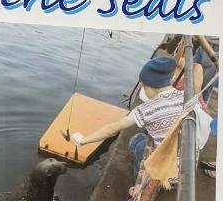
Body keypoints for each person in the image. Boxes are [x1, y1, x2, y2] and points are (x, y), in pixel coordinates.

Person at [72, 55, 210, 179]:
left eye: (144, 87)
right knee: (144, 140)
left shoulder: (146, 110)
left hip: (166, 177)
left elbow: (112, 129)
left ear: (148, 86)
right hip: (187, 173)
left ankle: (142, 182)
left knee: (136, 142)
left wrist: (83, 140)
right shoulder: (186, 96)